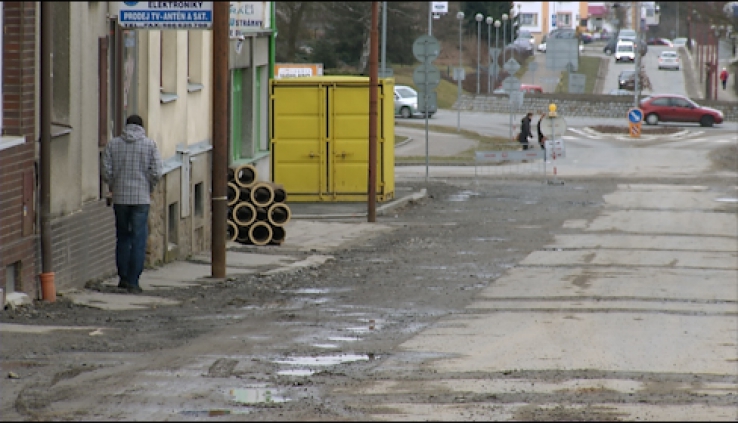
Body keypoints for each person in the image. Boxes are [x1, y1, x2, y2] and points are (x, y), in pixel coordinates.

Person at [102, 115, 163, 294]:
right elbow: (157, 171)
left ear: (126, 126)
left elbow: (106, 170)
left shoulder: (113, 144)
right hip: (141, 199)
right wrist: (149, 186)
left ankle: (123, 277)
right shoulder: (150, 145)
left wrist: (113, 184)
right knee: (138, 239)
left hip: (120, 199)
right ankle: (134, 281)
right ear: (142, 127)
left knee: (122, 237)